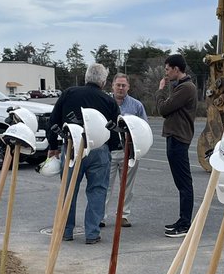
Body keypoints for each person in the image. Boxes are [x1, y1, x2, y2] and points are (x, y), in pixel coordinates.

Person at [46, 63, 119, 244]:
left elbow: (53, 120)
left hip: (72, 147)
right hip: (98, 149)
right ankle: (92, 232)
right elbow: (115, 130)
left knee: (68, 190)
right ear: (103, 82)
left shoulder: (69, 93)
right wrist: (109, 148)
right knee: (98, 190)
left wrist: (53, 146)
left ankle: (66, 230)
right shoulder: (108, 100)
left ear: (86, 77)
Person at [157, 53, 197, 238]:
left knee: (184, 183)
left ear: (176, 69)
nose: (166, 73)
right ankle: (182, 221)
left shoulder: (186, 88)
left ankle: (185, 224)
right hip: (175, 137)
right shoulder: (180, 87)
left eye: (167, 69)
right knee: (181, 183)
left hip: (179, 138)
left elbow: (164, 109)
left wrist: (160, 91)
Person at [103, 72, 147, 228]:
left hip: (128, 151)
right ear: (112, 86)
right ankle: (101, 216)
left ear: (128, 87)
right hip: (108, 150)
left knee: (127, 185)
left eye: (124, 85)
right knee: (105, 184)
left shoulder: (137, 106)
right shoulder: (105, 103)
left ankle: (123, 215)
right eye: (118, 85)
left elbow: (144, 128)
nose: (121, 88)